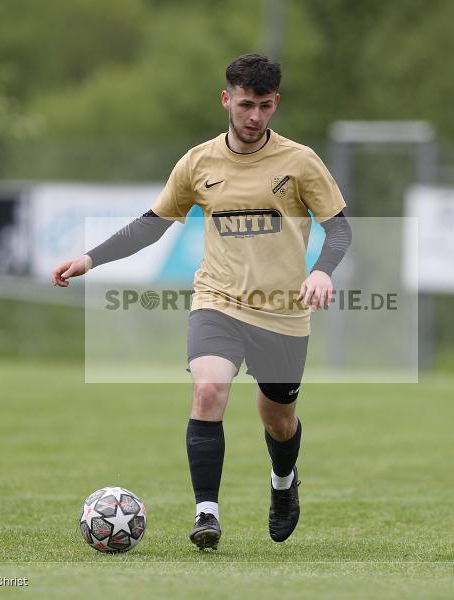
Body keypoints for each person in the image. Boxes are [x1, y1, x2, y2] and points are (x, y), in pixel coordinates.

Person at [52, 54, 351, 549]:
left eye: (264, 106)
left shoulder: (300, 162)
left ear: (276, 103)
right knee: (208, 390)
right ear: (226, 99)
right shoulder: (198, 162)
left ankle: (283, 482)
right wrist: (90, 259)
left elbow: (339, 230)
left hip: (282, 311)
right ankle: (206, 514)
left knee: (279, 421)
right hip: (218, 300)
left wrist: (321, 271)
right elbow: (152, 225)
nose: (254, 116)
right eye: (245, 104)